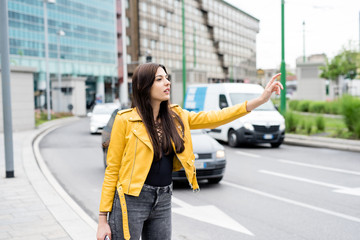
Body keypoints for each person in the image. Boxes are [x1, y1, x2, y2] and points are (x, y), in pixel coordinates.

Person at [96, 63, 283, 240]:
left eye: (167, 78)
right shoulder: (125, 120)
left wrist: (260, 100)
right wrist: (102, 219)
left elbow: (216, 117)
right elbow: (112, 170)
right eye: (159, 79)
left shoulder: (177, 117)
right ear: (144, 86)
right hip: (131, 200)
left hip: (163, 198)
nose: (167, 82)